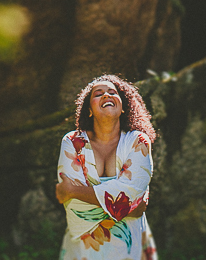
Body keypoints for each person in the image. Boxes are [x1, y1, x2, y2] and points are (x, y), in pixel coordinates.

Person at [56, 74, 158, 260]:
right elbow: (75, 206)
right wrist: (126, 206)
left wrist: (74, 191)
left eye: (113, 92)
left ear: (123, 108)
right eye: (98, 93)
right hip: (84, 245)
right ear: (89, 109)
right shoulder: (72, 142)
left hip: (129, 245)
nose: (106, 95)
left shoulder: (137, 141)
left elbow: (132, 194)